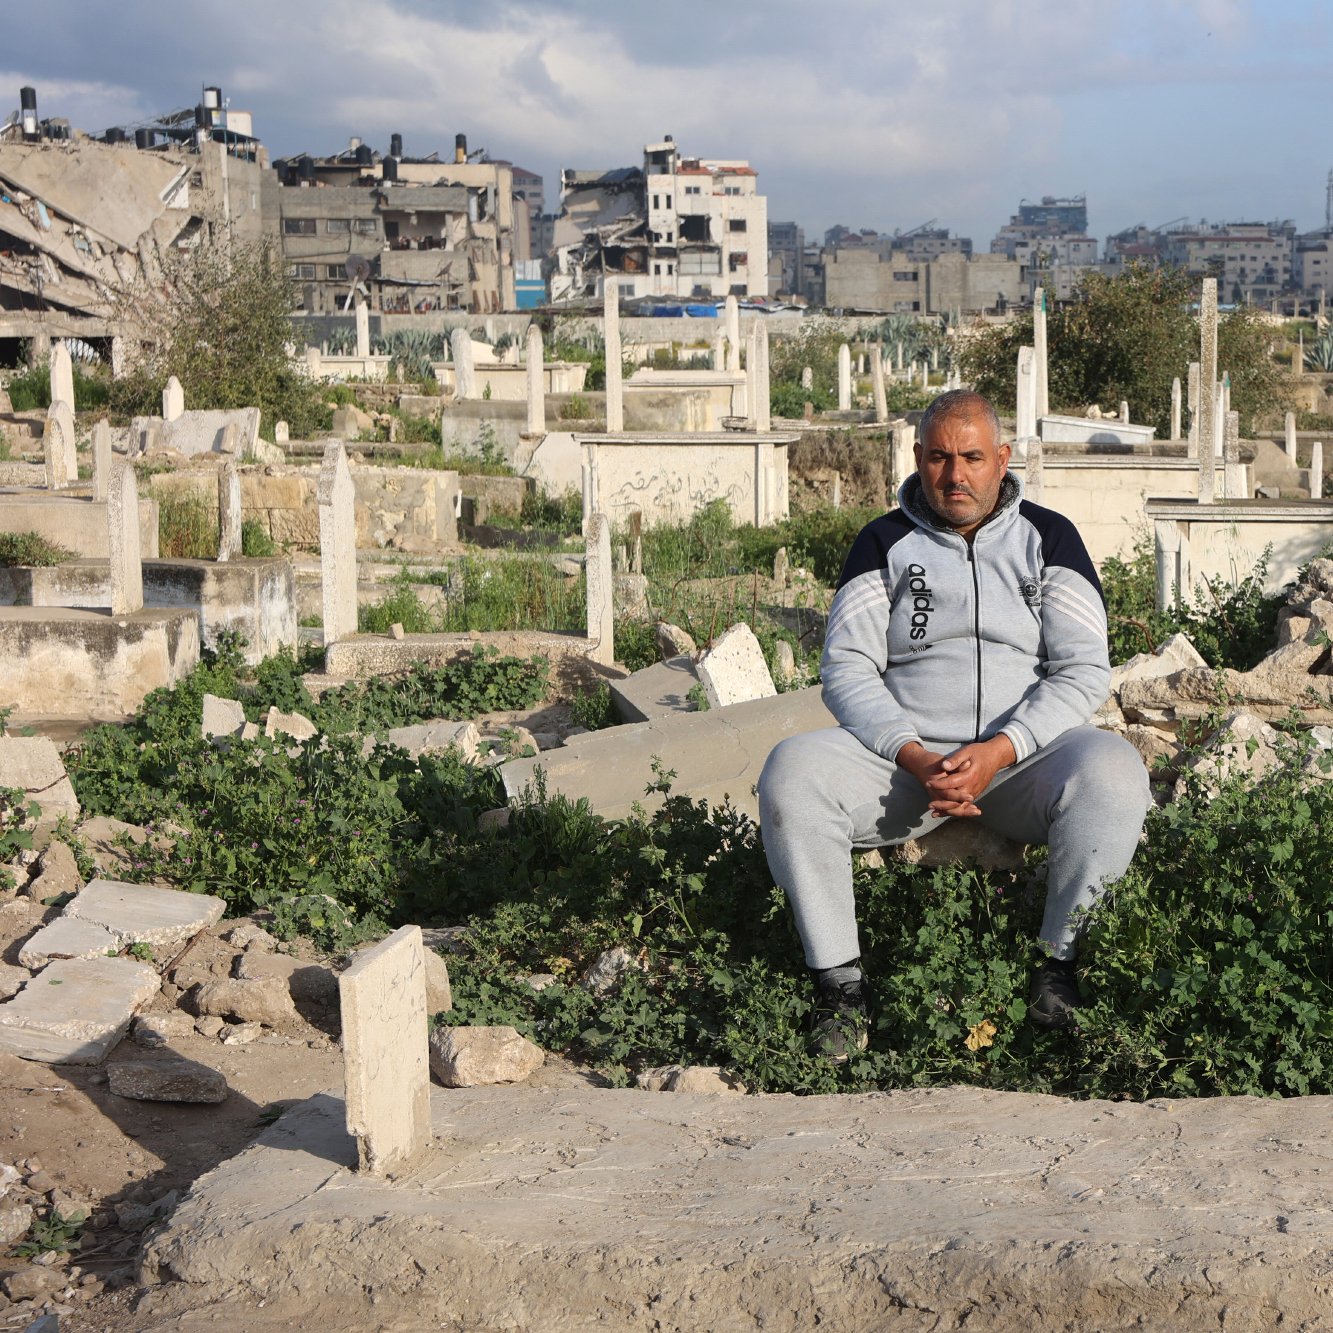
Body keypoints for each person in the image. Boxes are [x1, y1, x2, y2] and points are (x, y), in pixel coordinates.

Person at [757, 389, 1151, 1058]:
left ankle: (1058, 970)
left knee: (1114, 771)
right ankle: (840, 989)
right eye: (939, 457)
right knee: (790, 772)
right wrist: (911, 754)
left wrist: (1000, 748)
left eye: (972, 457)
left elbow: (1083, 669)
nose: (955, 475)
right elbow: (846, 670)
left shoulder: (1050, 538)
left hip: (1024, 763)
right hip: (907, 768)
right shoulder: (881, 542)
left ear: (1002, 458)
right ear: (917, 458)